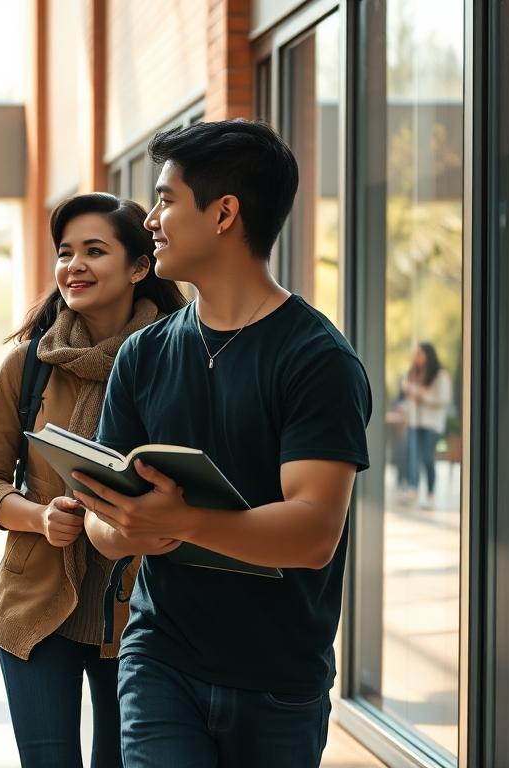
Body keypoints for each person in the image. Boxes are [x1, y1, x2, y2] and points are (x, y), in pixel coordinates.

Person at [75, 120, 371, 768]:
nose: (150, 219)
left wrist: (181, 521)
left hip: (279, 681)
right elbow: (103, 521)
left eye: (166, 199)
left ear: (224, 214)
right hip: (161, 661)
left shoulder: (318, 359)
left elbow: (314, 529)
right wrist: (128, 531)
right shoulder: (143, 355)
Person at [0, 193, 187, 767]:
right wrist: (38, 516)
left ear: (140, 267)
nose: (74, 266)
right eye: (66, 253)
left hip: (141, 611)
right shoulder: (28, 364)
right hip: (36, 605)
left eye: (95, 250)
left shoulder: (178, 362)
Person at [398, 341, 451, 509]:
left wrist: (422, 395)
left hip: (431, 424)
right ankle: (412, 490)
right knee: (412, 457)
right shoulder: (412, 374)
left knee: (428, 458)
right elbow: (408, 397)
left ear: (429, 355)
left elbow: (443, 399)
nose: (417, 357)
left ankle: (430, 493)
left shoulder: (441, 376)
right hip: (414, 423)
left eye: (420, 353)